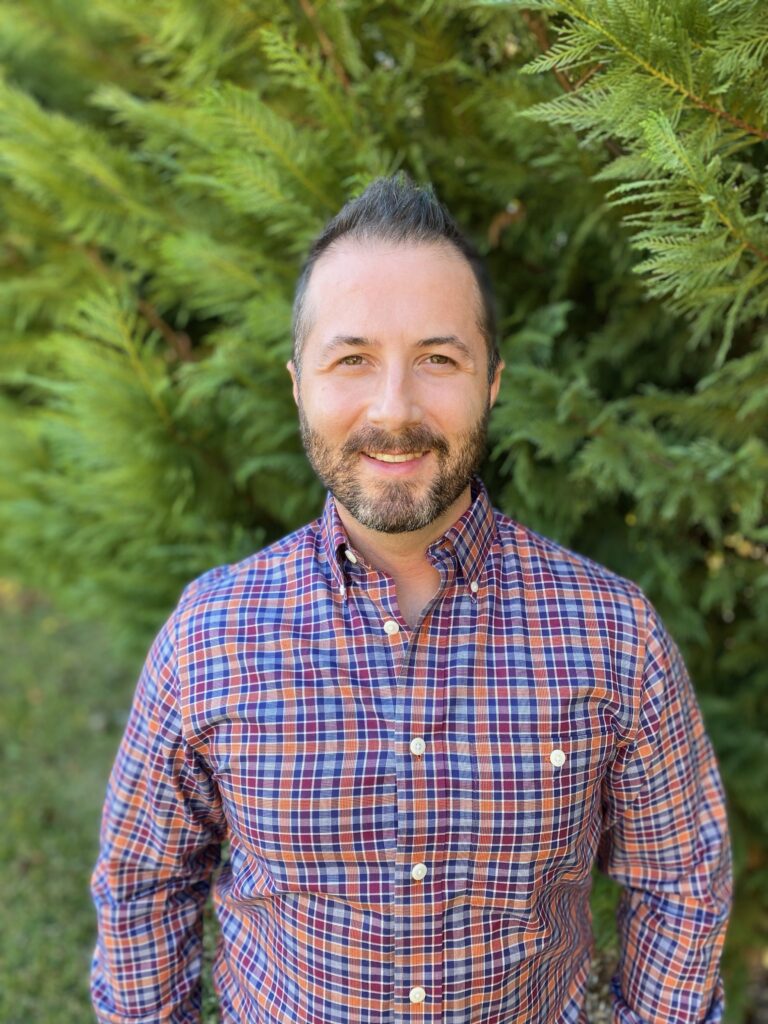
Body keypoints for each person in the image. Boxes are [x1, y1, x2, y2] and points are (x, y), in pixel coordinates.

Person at [91, 175, 731, 1024]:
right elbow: (144, 884)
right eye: (352, 359)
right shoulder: (209, 635)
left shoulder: (614, 634)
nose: (394, 409)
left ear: (492, 381)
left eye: (438, 359)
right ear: (297, 383)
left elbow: (680, 885)